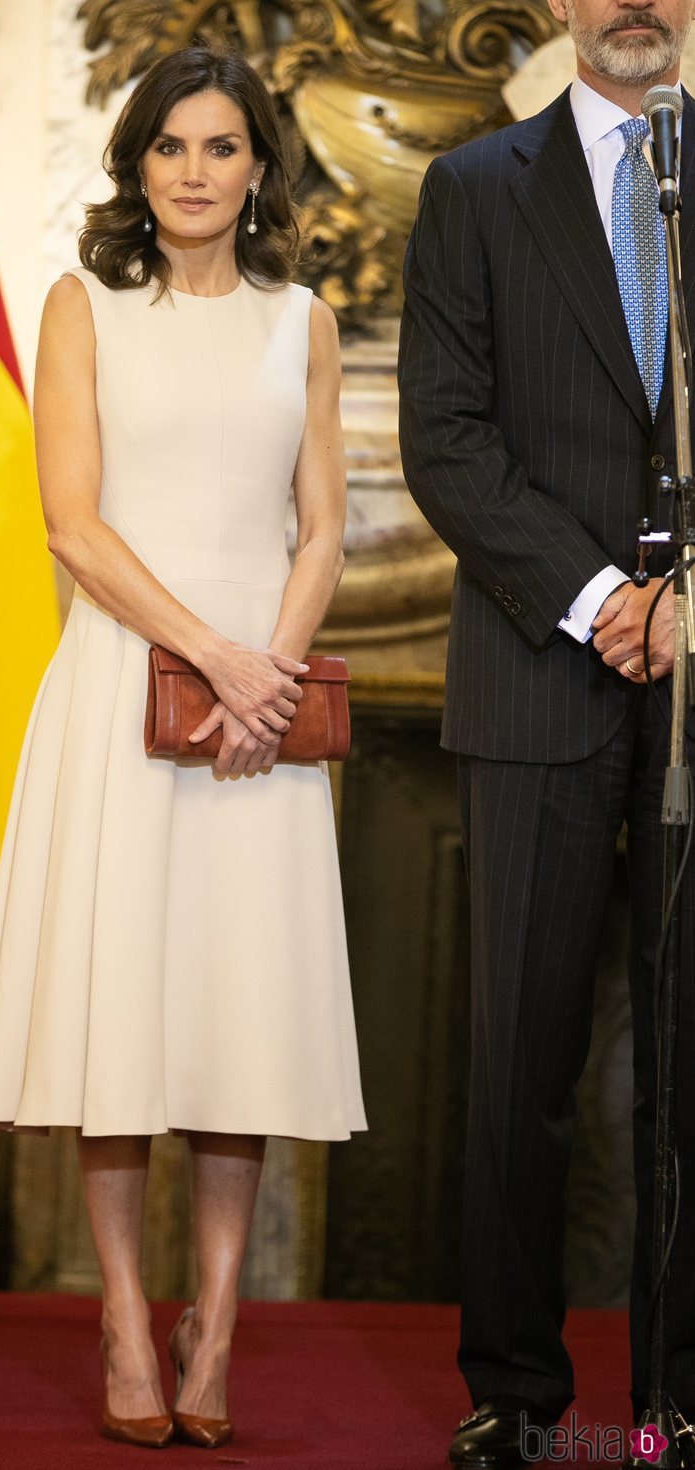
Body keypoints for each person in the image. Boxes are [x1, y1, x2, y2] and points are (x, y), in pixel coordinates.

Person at [0, 46, 366, 1451]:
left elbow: (325, 521)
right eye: (171, 146)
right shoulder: (83, 309)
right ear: (138, 165)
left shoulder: (300, 317)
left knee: (234, 1022)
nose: (195, 170)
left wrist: (275, 666)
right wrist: (219, 654)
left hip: (258, 710)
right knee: (123, 1017)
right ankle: (127, 1316)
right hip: (128, 686)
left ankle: (220, 1323)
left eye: (223, 147)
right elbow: (73, 524)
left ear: (260, 170)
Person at [398, 0, 695, 1463]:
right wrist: (603, 600)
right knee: (523, 1062)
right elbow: (445, 436)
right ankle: (514, 1400)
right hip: (536, 672)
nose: (637, 1)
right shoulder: (472, 191)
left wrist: (692, 599)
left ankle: (678, 1405)